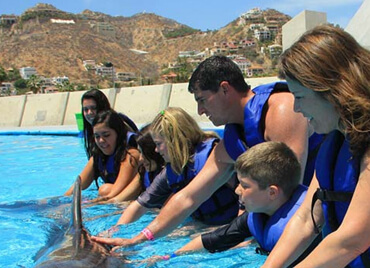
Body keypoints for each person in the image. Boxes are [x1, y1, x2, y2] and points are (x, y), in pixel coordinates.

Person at [92, 55, 321, 249]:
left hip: (315, 214)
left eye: (202, 100)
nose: (200, 111)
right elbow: (189, 196)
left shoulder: (281, 111)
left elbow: (289, 192)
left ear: (224, 89)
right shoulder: (233, 140)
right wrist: (138, 239)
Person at [212, 25, 370, 268]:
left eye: (300, 97)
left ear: (331, 90)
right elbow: (307, 219)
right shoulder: (336, 144)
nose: (297, 109)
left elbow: (352, 238)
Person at [93, 107, 240, 245]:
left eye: (158, 143)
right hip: (202, 224)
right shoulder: (173, 170)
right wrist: (111, 231)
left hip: (232, 224)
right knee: (164, 239)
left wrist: (231, 231)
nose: (156, 150)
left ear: (175, 140)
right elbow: (139, 205)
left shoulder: (215, 158)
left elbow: (248, 201)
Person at [158, 142, 320, 261]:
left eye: (244, 185)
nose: (237, 190)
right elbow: (214, 239)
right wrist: (169, 257)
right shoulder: (258, 214)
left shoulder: (302, 228)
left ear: (272, 192)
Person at [64, 110, 141, 200]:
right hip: (116, 198)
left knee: (104, 190)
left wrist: (90, 205)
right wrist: (58, 203)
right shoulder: (98, 157)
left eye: (106, 135)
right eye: (97, 136)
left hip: (131, 198)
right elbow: (75, 188)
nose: (101, 140)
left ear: (118, 134)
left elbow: (115, 192)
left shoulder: (131, 155)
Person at [80, 88, 138, 159]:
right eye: (86, 109)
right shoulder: (91, 130)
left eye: (93, 108)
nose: (89, 112)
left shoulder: (119, 123)